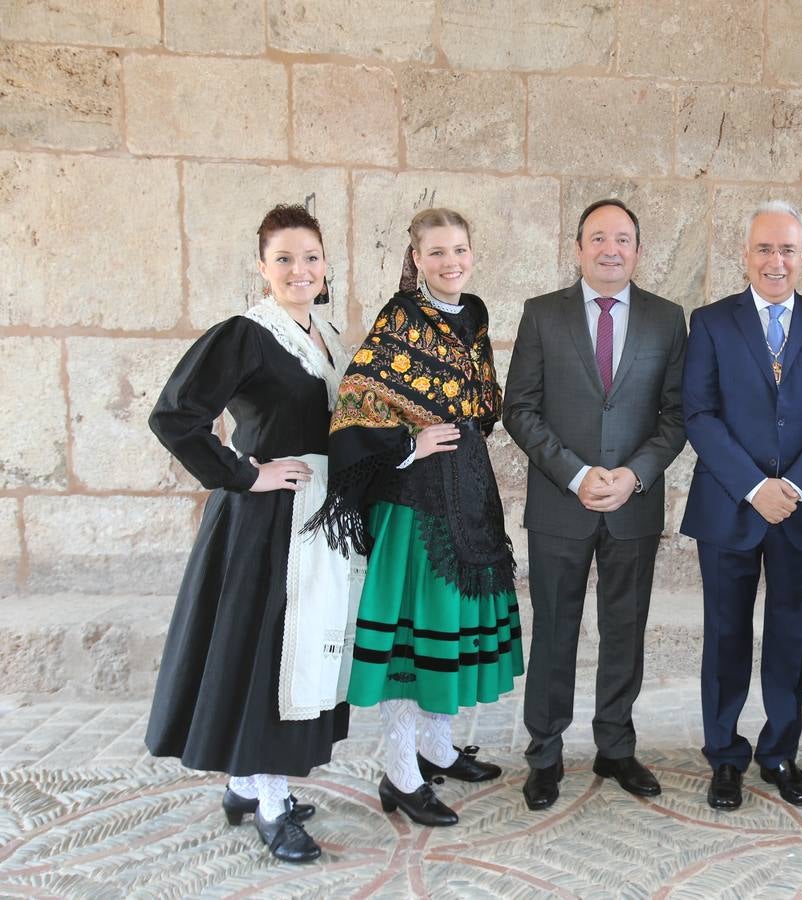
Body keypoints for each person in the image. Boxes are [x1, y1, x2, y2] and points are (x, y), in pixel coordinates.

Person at [146, 204, 352, 863]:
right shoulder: (245, 333)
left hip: (319, 520)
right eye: (285, 258)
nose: (300, 269)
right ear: (262, 267)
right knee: (264, 660)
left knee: (298, 658)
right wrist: (242, 474)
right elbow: (176, 416)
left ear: (325, 266)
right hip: (266, 524)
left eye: (311, 257)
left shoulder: (327, 333)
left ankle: (246, 782)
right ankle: (270, 805)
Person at [307, 208, 522, 827]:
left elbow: (482, 403)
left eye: (459, 249)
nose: (451, 262)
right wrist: (408, 444)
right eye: (437, 253)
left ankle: (437, 747)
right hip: (414, 501)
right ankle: (401, 774)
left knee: (448, 624)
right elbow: (358, 399)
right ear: (416, 259)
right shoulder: (400, 318)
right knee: (414, 629)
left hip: (469, 490)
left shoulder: (474, 313)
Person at [502, 198, 687, 810]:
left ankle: (615, 745)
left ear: (638, 249)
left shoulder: (667, 319)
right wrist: (575, 474)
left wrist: (633, 475)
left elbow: (677, 414)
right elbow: (519, 409)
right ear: (578, 247)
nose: (612, 249)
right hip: (561, 504)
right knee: (554, 628)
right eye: (599, 238)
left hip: (633, 504)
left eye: (624, 238)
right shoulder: (542, 315)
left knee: (624, 628)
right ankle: (545, 754)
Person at [681, 200, 802, 811]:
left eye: (787, 249)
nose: (775, 260)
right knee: (726, 636)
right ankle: (724, 756)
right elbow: (698, 413)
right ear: (746, 254)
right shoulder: (709, 322)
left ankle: (780, 752)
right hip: (731, 506)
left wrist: (799, 485)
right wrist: (756, 487)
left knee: (790, 636)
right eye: (764, 248)